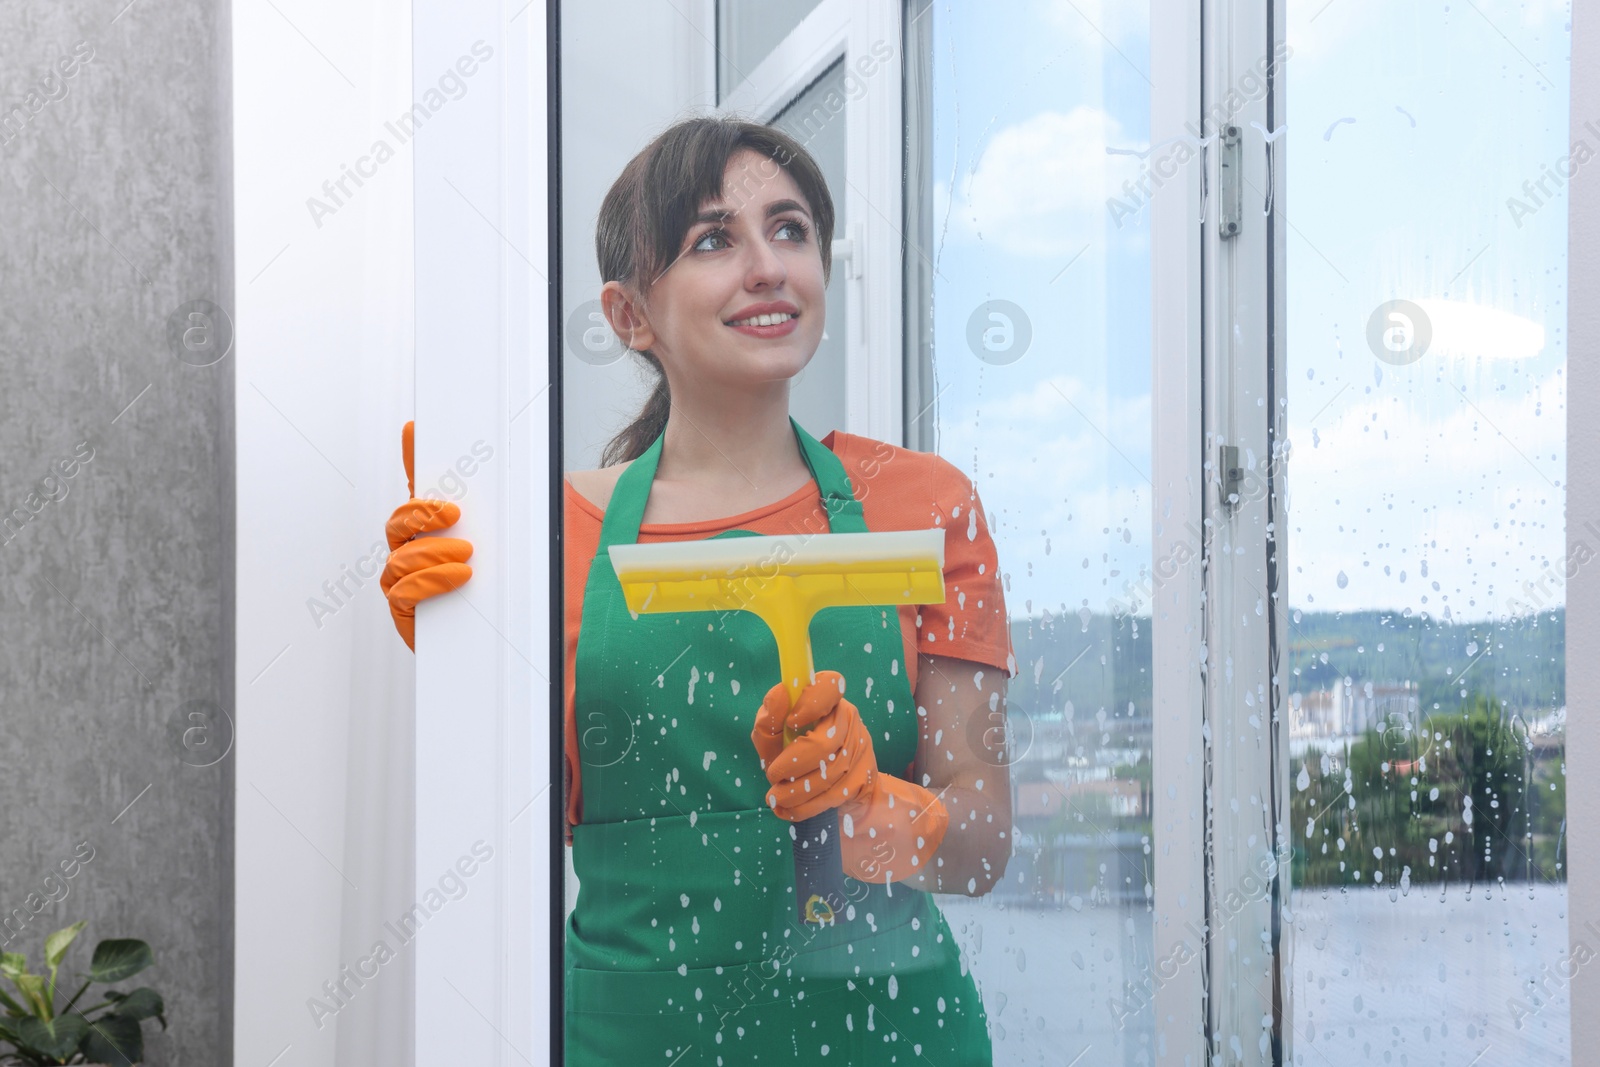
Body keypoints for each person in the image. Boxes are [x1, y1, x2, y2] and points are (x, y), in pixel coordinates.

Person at [382, 115, 1017, 1065]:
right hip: (636, 1040)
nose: (767, 266)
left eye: (791, 229)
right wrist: (455, 646)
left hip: (896, 1033)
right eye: (714, 239)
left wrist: (879, 802)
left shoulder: (924, 506)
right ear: (628, 314)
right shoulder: (553, 538)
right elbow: (505, 844)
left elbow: (982, 841)